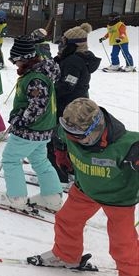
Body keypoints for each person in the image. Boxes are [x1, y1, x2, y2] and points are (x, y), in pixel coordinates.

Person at [32, 98, 138, 276]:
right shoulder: (70, 132)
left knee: (123, 243)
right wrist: (61, 154)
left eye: (80, 136)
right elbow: (60, 137)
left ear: (96, 128)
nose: (74, 139)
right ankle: (66, 256)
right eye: (71, 134)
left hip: (119, 198)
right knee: (66, 220)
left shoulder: (128, 145)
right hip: (85, 190)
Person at [0, 35, 63, 211]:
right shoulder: (39, 72)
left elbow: (37, 106)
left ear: (24, 59)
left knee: (10, 160)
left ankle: (16, 197)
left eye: (15, 60)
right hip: (43, 129)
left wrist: (20, 120)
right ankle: (51, 197)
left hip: (30, 130)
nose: (15, 64)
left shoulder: (35, 78)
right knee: (40, 161)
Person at [50, 23, 101, 183]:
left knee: (59, 138)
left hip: (69, 107)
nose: (60, 46)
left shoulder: (73, 62)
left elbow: (67, 85)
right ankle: (67, 167)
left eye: (64, 44)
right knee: (68, 138)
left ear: (74, 45)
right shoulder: (77, 58)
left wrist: (49, 91)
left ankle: (59, 174)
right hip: (76, 104)